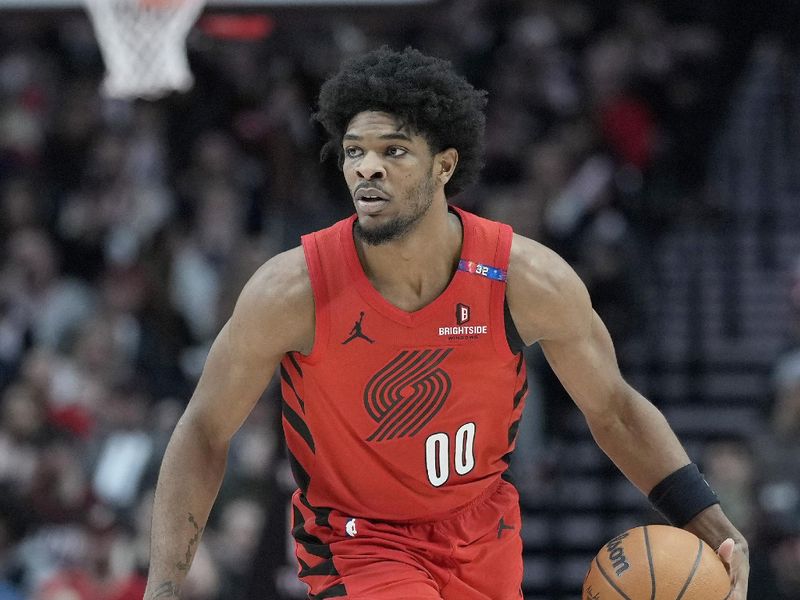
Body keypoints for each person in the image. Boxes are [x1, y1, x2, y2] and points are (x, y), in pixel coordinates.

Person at [144, 47, 749, 599]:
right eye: (355, 151)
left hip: (483, 537)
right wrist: (165, 586)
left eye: (394, 151)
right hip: (359, 541)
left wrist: (715, 527)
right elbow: (204, 428)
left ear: (444, 165)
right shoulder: (292, 290)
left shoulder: (525, 280)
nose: (367, 169)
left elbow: (613, 409)